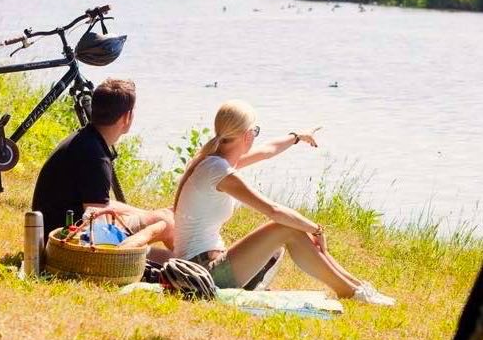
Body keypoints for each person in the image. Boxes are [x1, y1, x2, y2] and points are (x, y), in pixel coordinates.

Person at [172, 100, 395, 305]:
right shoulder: (219, 171)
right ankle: (349, 291)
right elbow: (274, 211)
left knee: (289, 231)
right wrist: (315, 229)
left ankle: (355, 286)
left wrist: (298, 136)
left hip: (205, 265)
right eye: (256, 131)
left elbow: (268, 151)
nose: (256, 137)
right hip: (201, 275)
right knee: (285, 228)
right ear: (247, 135)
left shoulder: (215, 162)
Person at [32, 78, 174, 254]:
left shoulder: (86, 139)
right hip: (67, 244)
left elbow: (99, 203)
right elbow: (98, 224)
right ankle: (198, 266)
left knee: (165, 220)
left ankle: (191, 265)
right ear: (127, 117)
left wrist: (145, 213)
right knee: (167, 226)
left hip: (57, 234)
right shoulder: (95, 156)